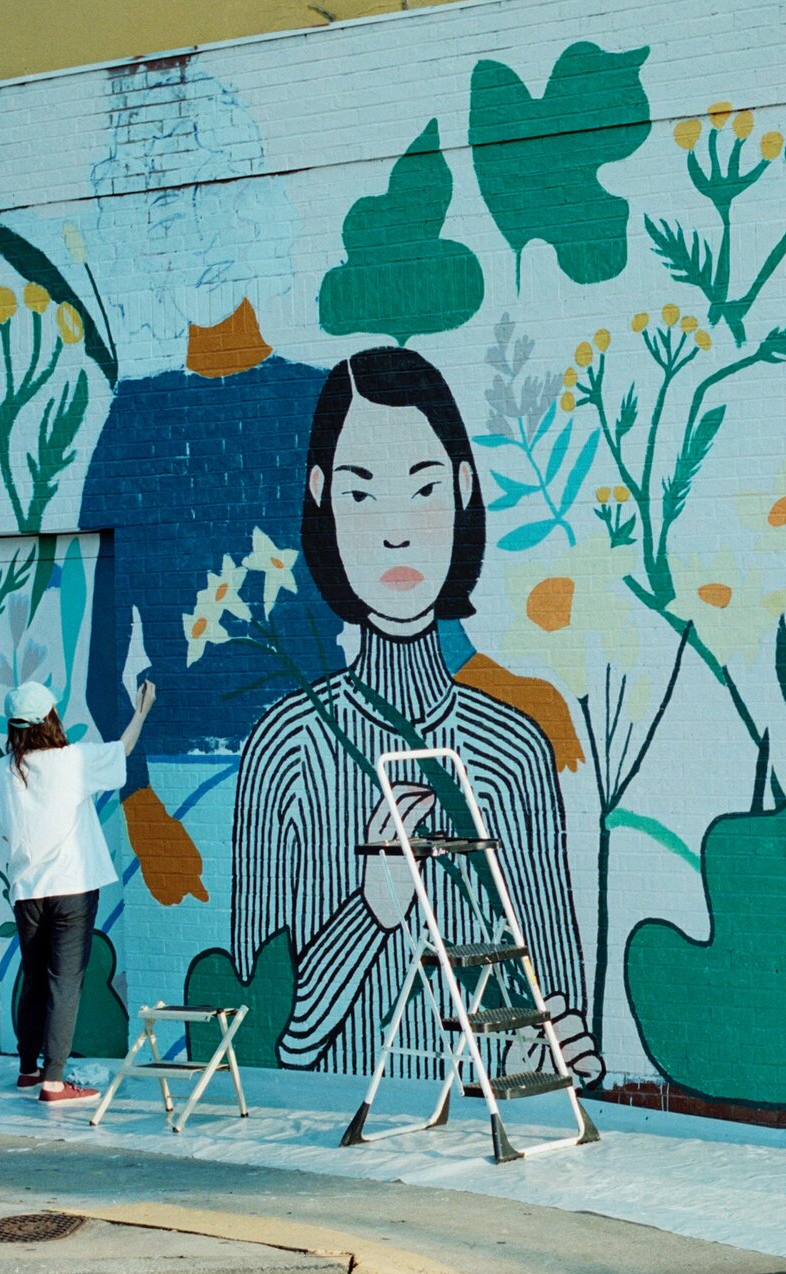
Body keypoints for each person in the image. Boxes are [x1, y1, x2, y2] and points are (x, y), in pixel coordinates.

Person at [230, 347, 595, 1081]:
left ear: (463, 491)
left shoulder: (513, 750)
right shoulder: (285, 748)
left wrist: (552, 1054)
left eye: (423, 489)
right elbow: (268, 1038)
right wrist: (376, 905)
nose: (396, 532)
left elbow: (557, 1008)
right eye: (362, 496)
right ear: (322, 496)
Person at [0, 674, 155, 1103]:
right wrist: (140, 713)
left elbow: (4, 834)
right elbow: (123, 750)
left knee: (35, 980)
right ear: (51, 718)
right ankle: (54, 1081)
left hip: (26, 890)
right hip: (72, 889)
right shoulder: (72, 760)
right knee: (65, 983)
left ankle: (28, 1070)